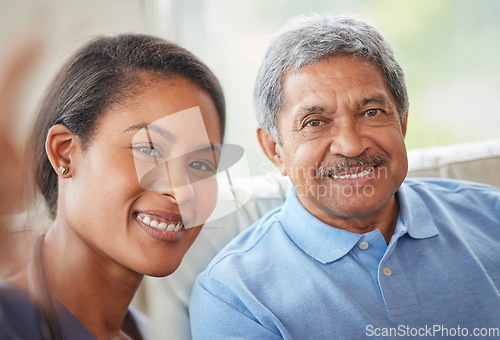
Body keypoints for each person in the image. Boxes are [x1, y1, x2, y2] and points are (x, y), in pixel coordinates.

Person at [189, 15, 500, 339]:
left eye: (371, 112)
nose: (351, 146)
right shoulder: (236, 298)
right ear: (274, 150)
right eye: (315, 121)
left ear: (402, 123)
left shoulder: (492, 217)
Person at [0, 33, 227, 339]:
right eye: (149, 150)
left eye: (200, 165)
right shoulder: (8, 320)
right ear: (64, 151)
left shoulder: (145, 332)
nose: (182, 191)